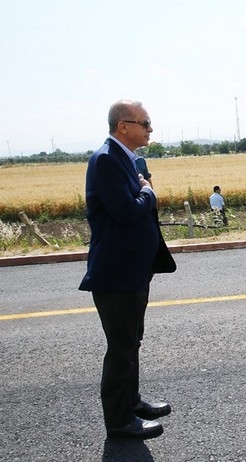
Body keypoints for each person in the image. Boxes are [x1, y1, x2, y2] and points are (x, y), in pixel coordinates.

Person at [79, 99, 176, 439]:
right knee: (121, 347)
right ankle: (119, 421)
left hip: (133, 269)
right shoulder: (106, 159)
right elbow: (125, 211)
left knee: (132, 341)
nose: (150, 129)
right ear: (124, 126)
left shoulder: (126, 158)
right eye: (145, 122)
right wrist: (149, 192)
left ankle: (131, 401)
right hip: (117, 273)